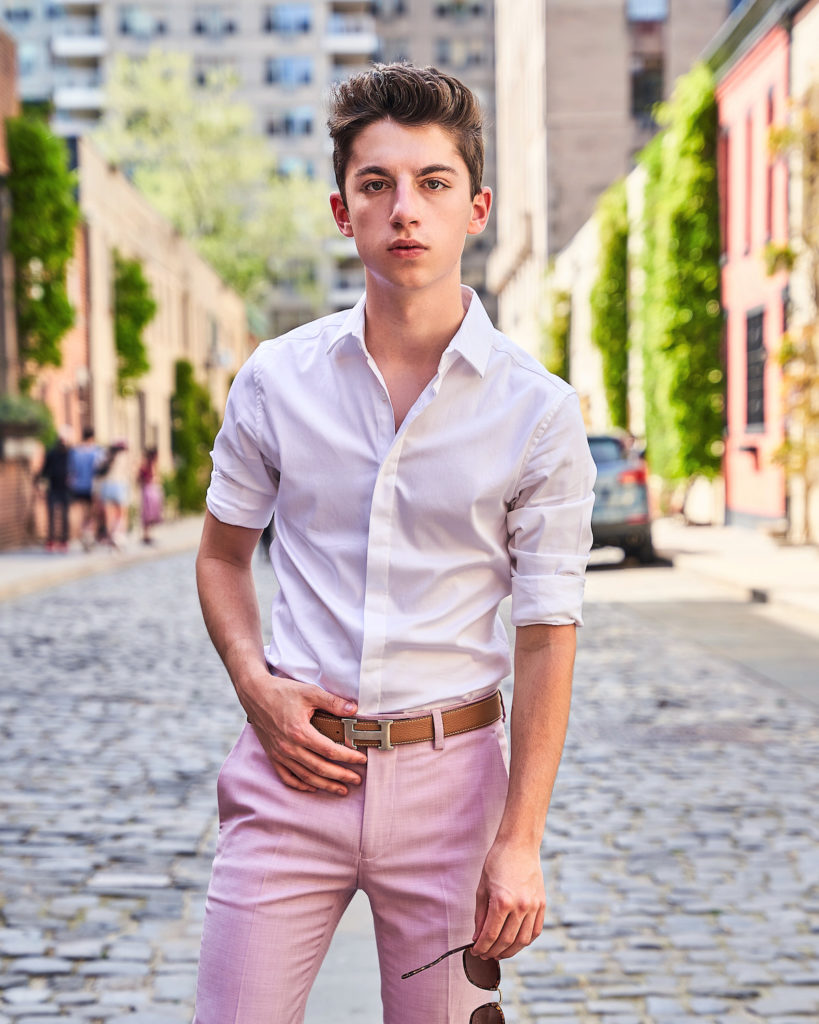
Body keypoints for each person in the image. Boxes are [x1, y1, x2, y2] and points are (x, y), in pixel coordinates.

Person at [193, 63, 596, 1024]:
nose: (403, 210)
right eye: (376, 185)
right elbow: (220, 553)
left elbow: (546, 630)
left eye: (432, 183)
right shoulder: (275, 380)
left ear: (477, 206)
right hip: (291, 774)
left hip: (453, 791)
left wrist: (520, 837)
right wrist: (256, 686)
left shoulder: (537, 412)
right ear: (343, 210)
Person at [37, 428, 72, 552]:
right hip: (53, 487)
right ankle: (51, 540)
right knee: (51, 514)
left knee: (64, 515)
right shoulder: (52, 452)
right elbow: (45, 469)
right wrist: (39, 481)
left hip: (65, 488)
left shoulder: (70, 453)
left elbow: (74, 468)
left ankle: (64, 540)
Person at [67, 425, 101, 550]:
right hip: (92, 486)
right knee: (91, 513)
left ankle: (83, 535)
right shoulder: (96, 451)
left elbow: (71, 469)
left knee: (82, 512)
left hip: (78, 486)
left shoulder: (75, 451)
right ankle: (89, 537)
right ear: (92, 437)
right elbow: (99, 469)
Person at [96, 440, 130, 548]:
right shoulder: (123, 457)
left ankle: (111, 535)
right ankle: (119, 535)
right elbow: (129, 472)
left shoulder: (104, 456)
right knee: (122, 513)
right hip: (119, 485)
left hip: (106, 486)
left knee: (109, 515)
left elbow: (98, 473)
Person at [137, 447, 163, 544]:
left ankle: (148, 534)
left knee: (151, 513)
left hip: (152, 490)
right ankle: (146, 534)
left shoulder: (152, 466)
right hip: (149, 490)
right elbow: (140, 479)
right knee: (147, 513)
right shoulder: (146, 467)